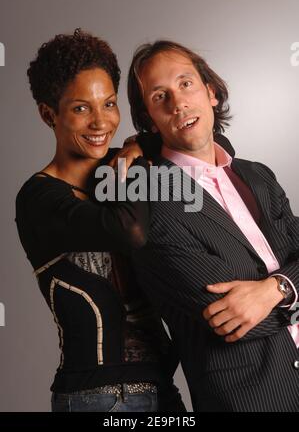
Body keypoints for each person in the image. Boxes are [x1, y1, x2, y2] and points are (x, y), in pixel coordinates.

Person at [15, 30, 185, 412]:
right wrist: (133, 158)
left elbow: (213, 148)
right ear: (48, 114)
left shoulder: (121, 163)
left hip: (164, 390)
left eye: (108, 104)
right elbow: (130, 230)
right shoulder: (39, 198)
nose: (100, 122)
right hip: (99, 398)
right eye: (80, 108)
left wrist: (138, 145)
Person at [127, 40, 299, 412]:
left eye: (186, 84)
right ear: (149, 118)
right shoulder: (149, 201)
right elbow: (229, 317)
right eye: (160, 97)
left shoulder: (258, 177)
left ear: (211, 92)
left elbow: (266, 299)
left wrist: (278, 288)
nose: (178, 104)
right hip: (252, 400)